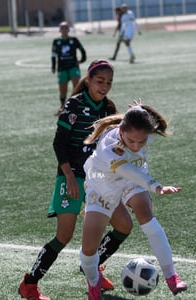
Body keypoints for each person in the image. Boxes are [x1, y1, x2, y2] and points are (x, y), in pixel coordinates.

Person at [18, 59, 132, 300]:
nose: (104, 86)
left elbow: (113, 144)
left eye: (109, 82)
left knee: (123, 225)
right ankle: (29, 283)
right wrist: (69, 177)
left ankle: (92, 266)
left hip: (98, 179)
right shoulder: (74, 105)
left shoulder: (108, 109)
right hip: (71, 176)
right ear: (88, 80)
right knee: (64, 235)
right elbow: (59, 143)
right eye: (100, 81)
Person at [80, 100, 187, 300]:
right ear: (121, 131)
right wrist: (156, 186)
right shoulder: (110, 146)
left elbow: (142, 116)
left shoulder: (143, 129)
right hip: (103, 185)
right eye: (131, 141)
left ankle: (171, 276)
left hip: (133, 180)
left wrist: (138, 108)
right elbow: (126, 170)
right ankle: (93, 282)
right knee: (88, 248)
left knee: (146, 215)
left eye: (142, 141)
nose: (136, 146)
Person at [51, 21, 87, 115]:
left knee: (77, 87)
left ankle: (77, 107)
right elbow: (53, 55)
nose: (64, 29)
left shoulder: (74, 40)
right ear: (59, 30)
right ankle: (63, 107)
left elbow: (82, 50)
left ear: (68, 29)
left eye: (66, 28)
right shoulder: (56, 41)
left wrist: (82, 60)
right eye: (62, 28)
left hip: (73, 67)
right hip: (62, 68)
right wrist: (53, 66)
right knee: (63, 90)